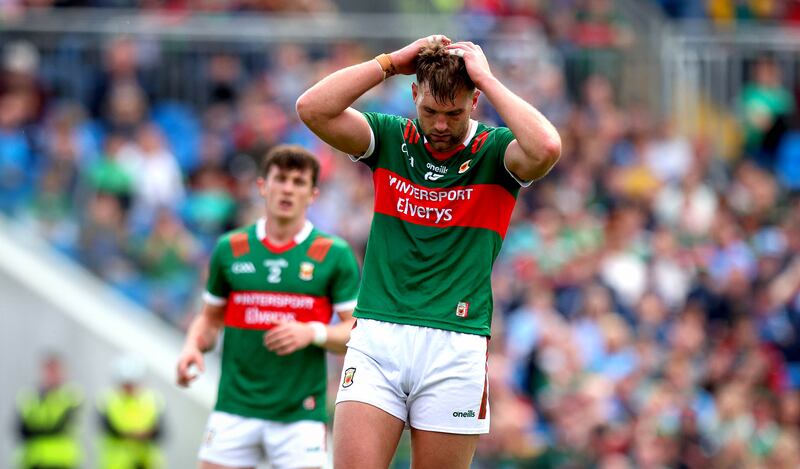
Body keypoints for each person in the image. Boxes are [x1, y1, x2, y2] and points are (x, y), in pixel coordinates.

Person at [296, 35, 562, 468]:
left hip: (456, 346)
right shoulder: (390, 137)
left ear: (474, 101)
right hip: (378, 335)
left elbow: (547, 147)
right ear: (414, 94)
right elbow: (312, 108)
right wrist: (388, 63)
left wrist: (489, 79)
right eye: (430, 112)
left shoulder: (495, 152)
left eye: (454, 113)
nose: (440, 126)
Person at [176, 144, 361, 469]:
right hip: (235, 406)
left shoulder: (333, 254)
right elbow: (209, 319)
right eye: (281, 179)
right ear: (263, 186)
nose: (288, 188)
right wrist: (193, 345)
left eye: (298, 182)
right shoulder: (230, 248)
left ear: (313, 193)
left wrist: (312, 332)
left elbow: (357, 332)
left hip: (299, 414)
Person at [15, 352, 83, 469]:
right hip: (34, 461)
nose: (52, 375)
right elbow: (21, 430)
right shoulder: (30, 397)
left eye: (55, 371)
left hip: (62, 461)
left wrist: (36, 428)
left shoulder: (70, 396)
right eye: (49, 371)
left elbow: (61, 426)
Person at [97, 355, 164, 469]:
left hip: (145, 462)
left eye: (132, 383)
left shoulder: (153, 400)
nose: (129, 388)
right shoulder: (108, 400)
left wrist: (143, 434)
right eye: (126, 383)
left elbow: (161, 432)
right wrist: (136, 435)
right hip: (116, 464)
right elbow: (106, 427)